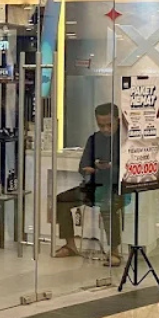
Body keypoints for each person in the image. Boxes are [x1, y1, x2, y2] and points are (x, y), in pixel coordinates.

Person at [54, 102, 124, 266]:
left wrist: (108, 169)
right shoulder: (94, 139)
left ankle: (115, 251)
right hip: (93, 186)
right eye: (101, 125)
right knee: (61, 200)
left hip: (116, 187)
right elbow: (82, 166)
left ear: (118, 121)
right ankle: (70, 245)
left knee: (108, 204)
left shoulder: (125, 141)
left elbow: (126, 170)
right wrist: (89, 170)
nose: (105, 129)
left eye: (109, 125)